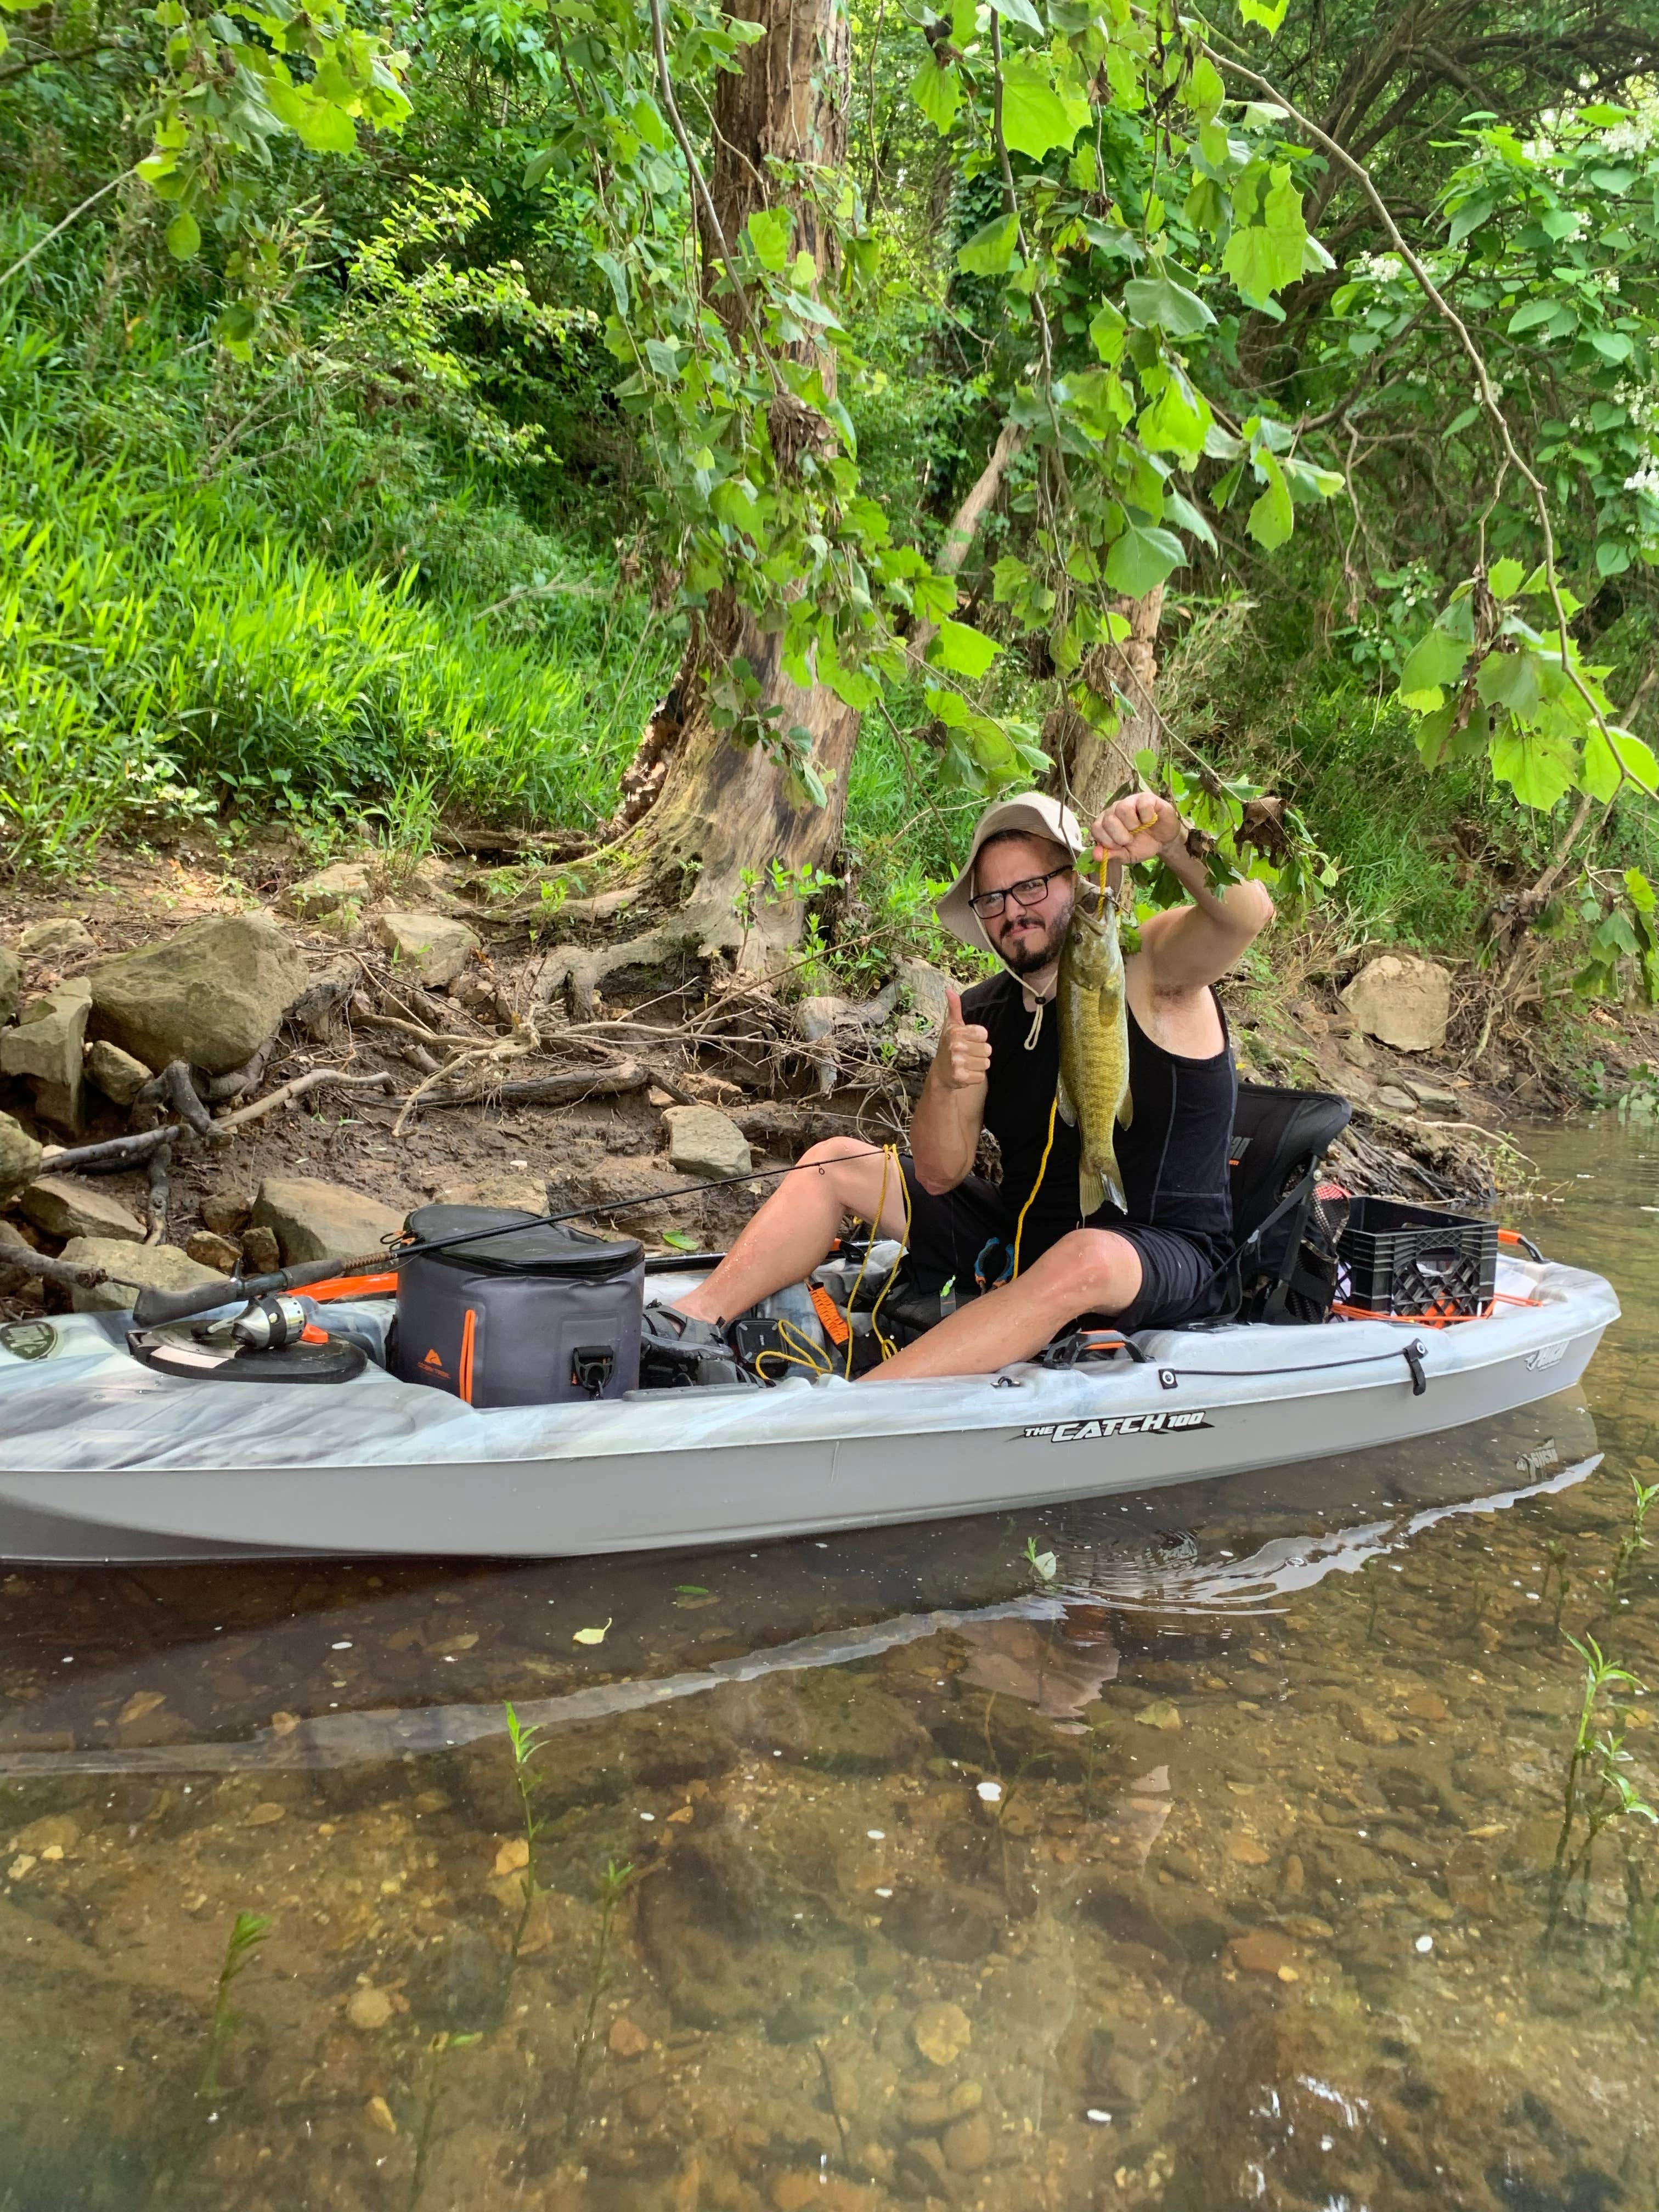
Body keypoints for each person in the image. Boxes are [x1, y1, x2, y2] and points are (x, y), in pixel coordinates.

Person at [655, 789, 1274, 1378]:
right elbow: (939, 1174)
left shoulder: (1144, 963)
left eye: (1031, 885)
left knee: (1086, 1256)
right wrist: (949, 1084)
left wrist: (1174, 839)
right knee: (835, 1162)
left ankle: (858, 1407)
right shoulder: (983, 1012)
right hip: (1021, 1242)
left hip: (1164, 1255)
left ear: (1076, 881)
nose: (1013, 910)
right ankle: (684, 1327)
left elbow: (1244, 917)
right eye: (993, 899)